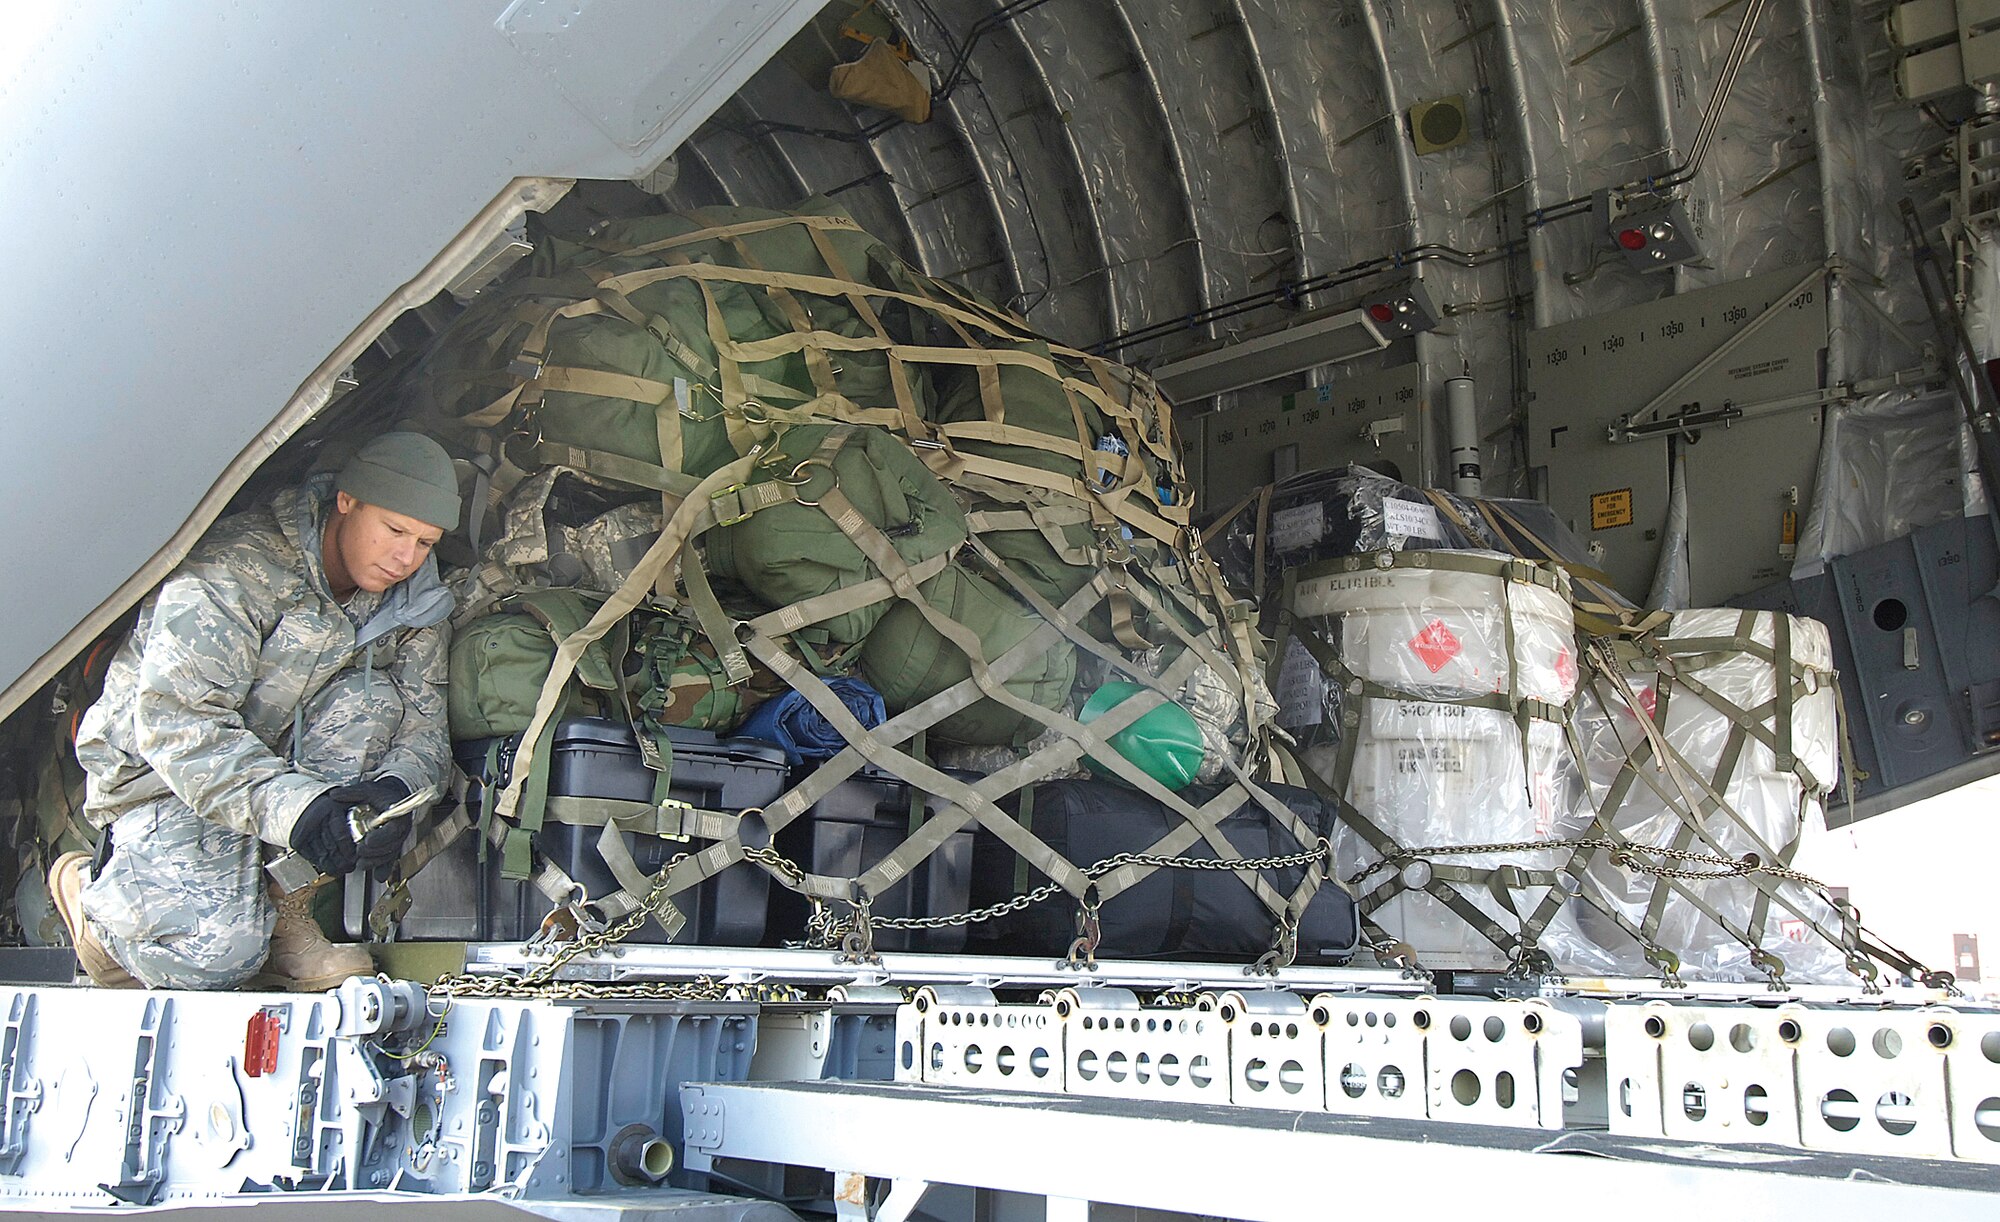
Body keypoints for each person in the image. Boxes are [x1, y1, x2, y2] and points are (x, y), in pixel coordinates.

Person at [49, 431, 460, 990]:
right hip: (167, 783)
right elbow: (180, 727)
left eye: (424, 543)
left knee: (371, 703)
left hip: (275, 792)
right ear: (348, 501)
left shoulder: (415, 601)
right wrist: (301, 812)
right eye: (394, 530)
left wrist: (393, 791)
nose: (404, 558)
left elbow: (424, 728)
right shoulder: (236, 569)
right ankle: (95, 903)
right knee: (214, 959)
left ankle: (284, 916)